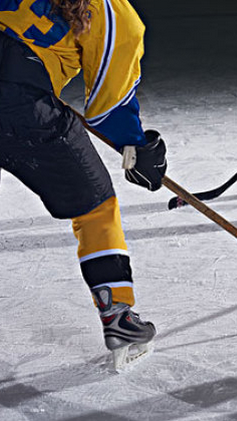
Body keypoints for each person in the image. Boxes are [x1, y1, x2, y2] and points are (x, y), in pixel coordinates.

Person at [0, 0, 167, 369]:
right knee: (95, 206)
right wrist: (137, 146)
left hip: (20, 89)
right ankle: (118, 315)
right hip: (22, 106)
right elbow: (109, 106)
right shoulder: (109, 10)